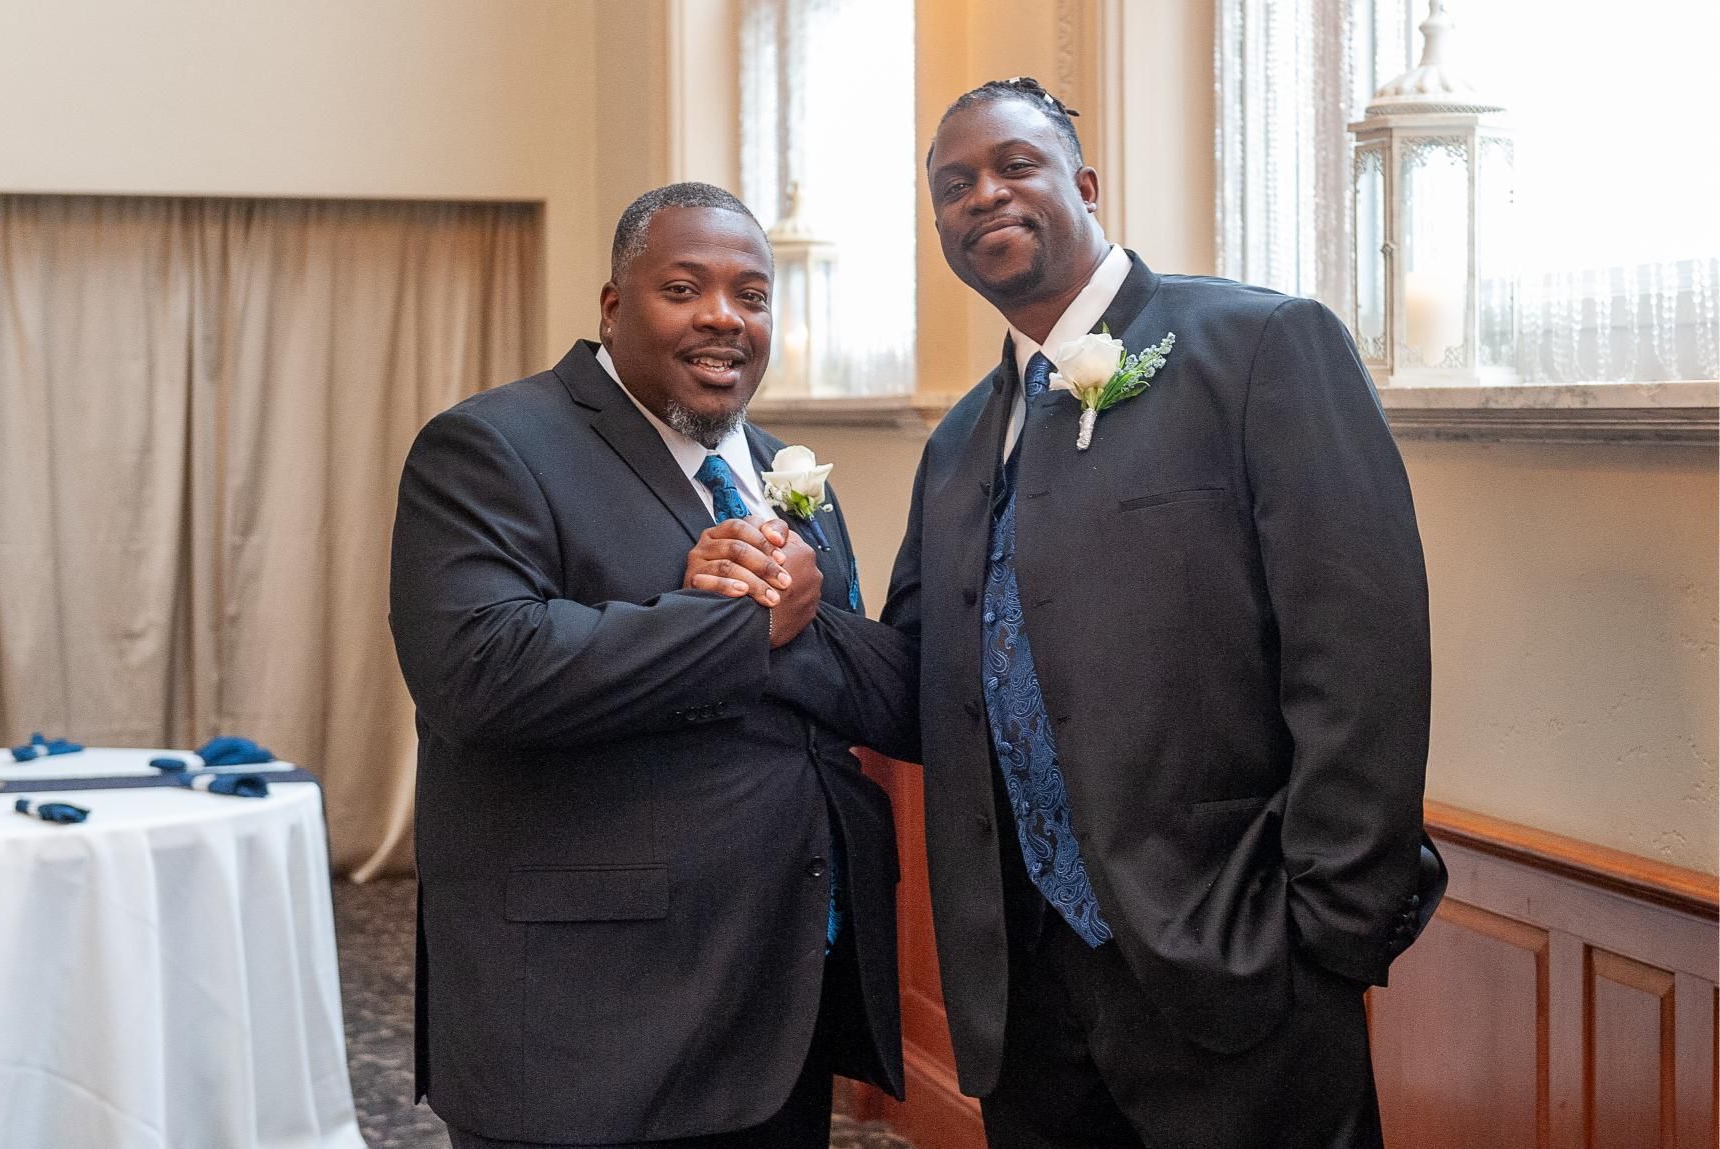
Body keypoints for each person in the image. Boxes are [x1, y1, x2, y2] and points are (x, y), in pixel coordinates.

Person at [720, 78, 1448, 1147]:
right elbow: (926, 689)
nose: (983, 195)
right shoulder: (957, 445)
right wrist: (798, 611)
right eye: (953, 186)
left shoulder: (1257, 348)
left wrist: (1325, 932)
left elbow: (1361, 655)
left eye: (1015, 165)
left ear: (1086, 185)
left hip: (1239, 961)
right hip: (1023, 993)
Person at [388, 182, 907, 1149]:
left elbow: (849, 677)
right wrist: (744, 627)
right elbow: (480, 672)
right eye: (682, 288)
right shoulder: (493, 443)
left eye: (752, 295)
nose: (724, 316)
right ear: (612, 306)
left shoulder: (782, 471)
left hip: (775, 989)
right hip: (588, 1014)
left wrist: (784, 618)